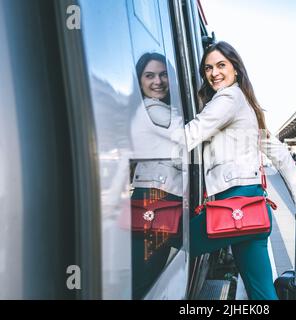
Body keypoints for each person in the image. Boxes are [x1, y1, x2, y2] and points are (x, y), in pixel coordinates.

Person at [184, 41, 296, 300]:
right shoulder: (246, 104)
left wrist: (131, 149)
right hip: (253, 208)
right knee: (262, 293)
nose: (214, 73)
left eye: (221, 65)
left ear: (236, 68)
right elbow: (280, 153)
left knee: (174, 245)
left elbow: (191, 134)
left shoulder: (228, 97)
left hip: (233, 205)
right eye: (208, 68)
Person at [129, 52, 183, 299]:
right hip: (155, 198)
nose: (157, 81)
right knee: (145, 278)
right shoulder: (153, 110)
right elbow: (189, 137)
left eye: (163, 75)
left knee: (147, 276)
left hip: (158, 197)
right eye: (149, 76)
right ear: (139, 81)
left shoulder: (161, 109)